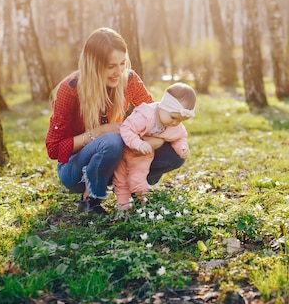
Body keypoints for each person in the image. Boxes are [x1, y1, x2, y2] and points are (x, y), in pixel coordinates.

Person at [45, 27, 185, 214]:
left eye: (122, 64)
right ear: (93, 65)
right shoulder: (69, 90)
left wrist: (147, 143)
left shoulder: (129, 80)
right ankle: (90, 201)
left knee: (174, 154)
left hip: (119, 159)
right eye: (110, 66)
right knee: (112, 141)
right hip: (75, 169)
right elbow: (54, 149)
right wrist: (100, 132)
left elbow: (156, 118)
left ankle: (136, 187)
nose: (118, 72)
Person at [114, 83, 196, 210]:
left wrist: (182, 148)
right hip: (124, 151)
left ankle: (143, 205)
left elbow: (179, 137)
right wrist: (138, 143)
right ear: (164, 106)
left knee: (138, 180)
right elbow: (126, 128)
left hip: (142, 158)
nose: (175, 123)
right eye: (173, 117)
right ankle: (123, 206)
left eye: (179, 121)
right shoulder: (145, 115)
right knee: (121, 180)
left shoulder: (173, 125)